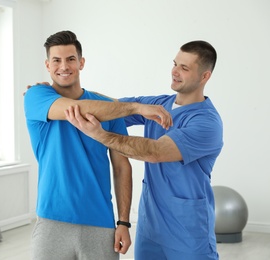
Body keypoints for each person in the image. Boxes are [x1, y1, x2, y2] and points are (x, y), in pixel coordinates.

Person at [64, 40, 223, 260]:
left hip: (188, 231)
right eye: (175, 64)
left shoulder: (206, 122)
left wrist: (101, 135)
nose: (174, 72)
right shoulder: (158, 104)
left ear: (205, 76)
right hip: (151, 226)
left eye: (184, 68)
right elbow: (111, 107)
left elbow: (155, 152)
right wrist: (56, 91)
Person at [24, 30, 173, 260]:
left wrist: (123, 222)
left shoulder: (108, 108)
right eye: (56, 60)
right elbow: (75, 110)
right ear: (47, 65)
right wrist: (136, 107)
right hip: (51, 223)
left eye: (71, 59)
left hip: (100, 223)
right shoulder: (35, 96)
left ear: (81, 62)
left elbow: (122, 167)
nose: (64, 66)